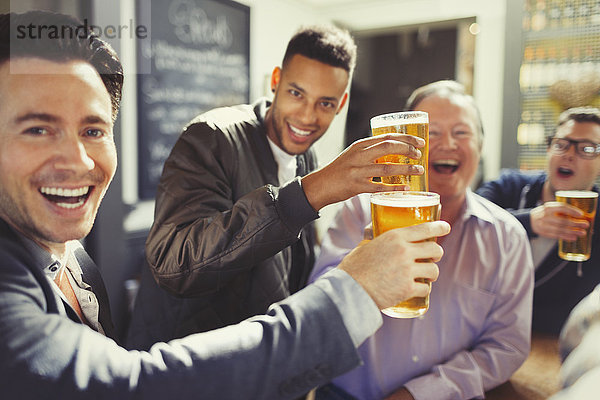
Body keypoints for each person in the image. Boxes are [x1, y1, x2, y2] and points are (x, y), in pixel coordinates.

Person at [0, 11, 451, 399]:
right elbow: (171, 271)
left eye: (93, 131)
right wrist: (352, 284)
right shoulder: (214, 137)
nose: (77, 161)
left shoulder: (71, 254)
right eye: (37, 129)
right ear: (276, 83)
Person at [128, 25, 426, 348]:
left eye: (325, 104)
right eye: (296, 93)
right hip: (186, 371)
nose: (307, 117)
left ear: (342, 104)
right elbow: (173, 264)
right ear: (275, 81)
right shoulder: (211, 137)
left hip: (259, 367)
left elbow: (289, 275)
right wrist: (312, 191)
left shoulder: (305, 157)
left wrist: (358, 262)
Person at [309, 80, 534, 400]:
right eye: (432, 133)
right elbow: (318, 307)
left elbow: (507, 345)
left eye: (461, 132)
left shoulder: (507, 237)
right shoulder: (360, 210)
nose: (446, 144)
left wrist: (421, 394)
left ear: (480, 146)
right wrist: (362, 269)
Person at [477, 107, 600, 335]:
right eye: (561, 144)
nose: (569, 155)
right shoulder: (509, 186)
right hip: (477, 328)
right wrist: (527, 223)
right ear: (548, 148)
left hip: (547, 340)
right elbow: (468, 224)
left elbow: (578, 309)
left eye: (587, 149)